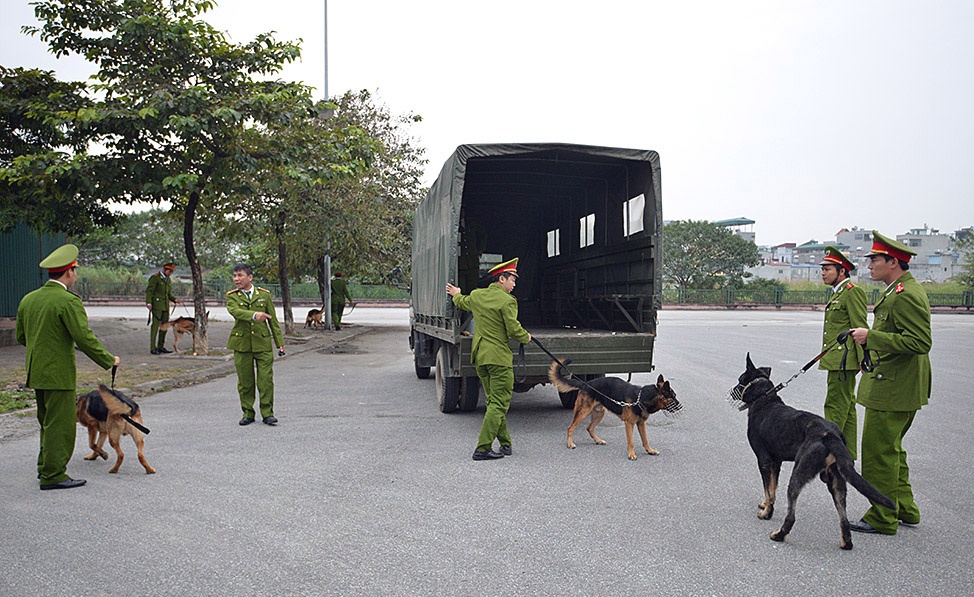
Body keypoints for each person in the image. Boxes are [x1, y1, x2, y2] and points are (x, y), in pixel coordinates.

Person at [15, 244, 120, 490]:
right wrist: (108, 360)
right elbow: (83, 337)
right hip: (58, 373)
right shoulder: (67, 301)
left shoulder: (29, 299)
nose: (76, 275)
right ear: (69, 272)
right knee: (60, 425)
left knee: (46, 422)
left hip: (36, 372)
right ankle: (54, 475)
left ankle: (45, 468)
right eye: (75, 271)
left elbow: (22, 337)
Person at [849, 231, 932, 535]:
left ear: (893, 262)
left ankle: (882, 516)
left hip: (894, 387)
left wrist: (872, 337)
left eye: (874, 259)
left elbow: (920, 341)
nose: (869, 264)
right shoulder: (896, 289)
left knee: (878, 452)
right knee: (892, 449)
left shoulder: (906, 294)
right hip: (895, 383)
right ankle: (905, 509)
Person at [446, 258, 531, 461]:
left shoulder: (477, 295)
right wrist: (525, 337)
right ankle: (482, 448)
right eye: (513, 280)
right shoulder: (508, 301)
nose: (514, 284)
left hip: (482, 358)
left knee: (494, 402)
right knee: (499, 405)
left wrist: (456, 293)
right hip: (499, 360)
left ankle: (505, 443)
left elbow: (462, 301)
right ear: (501, 279)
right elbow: (513, 329)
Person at [817, 246, 867, 459]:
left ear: (842, 271)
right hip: (837, 359)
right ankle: (846, 453)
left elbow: (859, 327)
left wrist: (864, 357)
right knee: (847, 406)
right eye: (823, 269)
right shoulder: (838, 293)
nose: (823, 273)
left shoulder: (851, 292)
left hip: (845, 360)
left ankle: (833, 452)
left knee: (836, 405)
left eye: (828, 269)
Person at [226, 264, 285, 426]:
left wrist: (280, 342)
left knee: (265, 380)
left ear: (250, 277)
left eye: (240, 275)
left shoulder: (264, 296)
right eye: (235, 276)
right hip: (242, 344)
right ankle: (248, 413)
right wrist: (254, 315)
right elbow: (236, 312)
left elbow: (272, 319)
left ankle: (268, 413)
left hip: (262, 343)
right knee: (245, 382)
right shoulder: (232, 296)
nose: (236, 279)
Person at [146, 262, 178, 354]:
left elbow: (168, 294)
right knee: (155, 326)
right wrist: (148, 302)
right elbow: (149, 291)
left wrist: (175, 299)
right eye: (169, 271)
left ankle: (161, 346)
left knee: (164, 326)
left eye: (172, 272)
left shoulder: (168, 280)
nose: (170, 273)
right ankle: (153, 347)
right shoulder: (155, 278)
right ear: (164, 270)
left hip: (165, 306)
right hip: (156, 305)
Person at [457, 207, 487, 294]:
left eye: (463, 210)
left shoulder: (471, 224)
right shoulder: (453, 225)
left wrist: (481, 249)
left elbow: (483, 234)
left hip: (472, 261)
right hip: (460, 264)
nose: (461, 212)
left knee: (473, 289)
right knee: (462, 290)